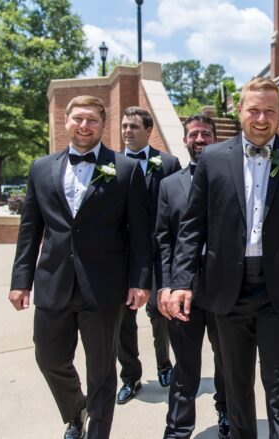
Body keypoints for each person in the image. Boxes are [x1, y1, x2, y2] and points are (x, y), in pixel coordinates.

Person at [169, 77, 279, 438]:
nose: (261, 118)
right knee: (237, 384)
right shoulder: (212, 158)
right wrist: (181, 281)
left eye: (270, 111)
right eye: (254, 110)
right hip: (227, 291)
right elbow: (193, 227)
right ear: (239, 110)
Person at [10, 95, 151, 439]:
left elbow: (140, 232)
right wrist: (21, 280)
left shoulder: (126, 169)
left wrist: (140, 281)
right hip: (53, 281)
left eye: (92, 120)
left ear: (103, 126)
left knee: (101, 372)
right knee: (49, 358)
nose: (84, 126)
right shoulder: (41, 168)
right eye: (78, 119)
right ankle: (76, 409)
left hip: (105, 287)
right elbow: (30, 229)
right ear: (66, 121)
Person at [155, 114, 230, 438]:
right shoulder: (169, 185)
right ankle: (178, 429)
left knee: (227, 359)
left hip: (224, 287)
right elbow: (162, 240)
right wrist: (165, 286)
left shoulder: (230, 180)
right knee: (185, 367)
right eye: (194, 134)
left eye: (206, 134)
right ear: (185, 140)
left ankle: (226, 411)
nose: (200, 139)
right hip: (181, 289)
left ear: (216, 139)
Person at [116, 106, 182, 405]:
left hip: (157, 254)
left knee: (159, 313)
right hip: (120, 254)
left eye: (133, 126)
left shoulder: (167, 163)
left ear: (148, 130)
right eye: (124, 126)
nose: (127, 131)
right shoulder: (110, 163)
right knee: (122, 319)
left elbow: (174, 209)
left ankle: (164, 364)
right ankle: (130, 377)